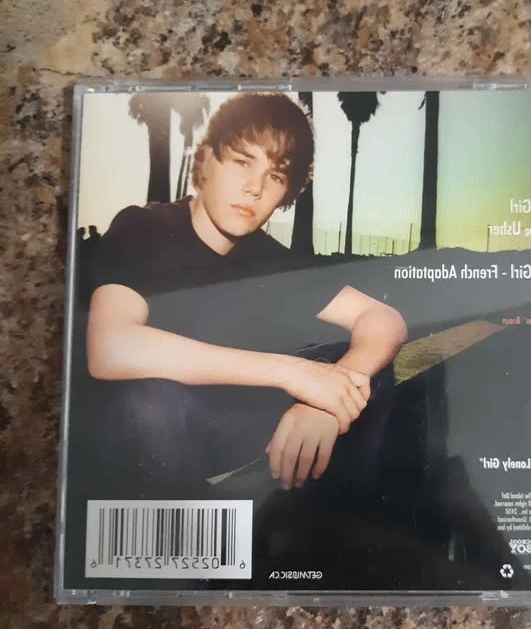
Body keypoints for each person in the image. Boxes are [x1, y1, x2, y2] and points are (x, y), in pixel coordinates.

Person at [84, 93, 407, 507]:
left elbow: (383, 318)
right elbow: (110, 347)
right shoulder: (144, 227)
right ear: (205, 163)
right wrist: (293, 373)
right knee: (150, 402)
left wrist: (326, 403)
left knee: (364, 370)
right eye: (241, 162)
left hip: (228, 425)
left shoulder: (269, 259)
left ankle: (326, 526)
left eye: (275, 176)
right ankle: (183, 538)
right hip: (147, 438)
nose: (255, 188)